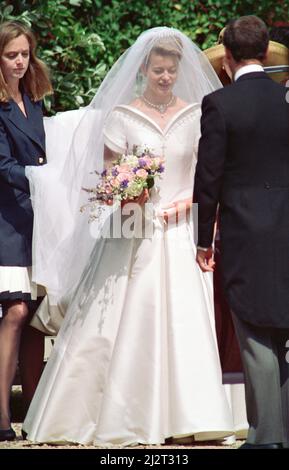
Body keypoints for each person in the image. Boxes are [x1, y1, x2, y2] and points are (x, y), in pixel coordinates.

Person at [22, 27, 247, 446]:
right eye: (158, 70)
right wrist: (128, 192)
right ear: (144, 69)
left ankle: (189, 413)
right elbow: (108, 177)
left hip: (180, 227)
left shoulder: (197, 114)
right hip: (133, 227)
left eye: (171, 70)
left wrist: (189, 207)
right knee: (119, 316)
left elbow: (208, 172)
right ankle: (116, 414)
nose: (165, 77)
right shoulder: (123, 116)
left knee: (182, 318)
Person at [195, 15, 289, 449]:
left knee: (253, 334)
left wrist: (201, 240)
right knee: (283, 333)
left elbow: (208, 178)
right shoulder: (285, 100)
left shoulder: (220, 105)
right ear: (267, 52)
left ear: (227, 57)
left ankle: (265, 439)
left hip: (244, 234)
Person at [0, 21, 52, 441]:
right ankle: (1, 417)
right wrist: (44, 178)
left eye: (24, 54)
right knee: (15, 312)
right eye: (11, 54)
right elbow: (2, 167)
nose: (20, 61)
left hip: (38, 220)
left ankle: (34, 415)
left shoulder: (33, 101)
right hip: (5, 220)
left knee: (34, 316)